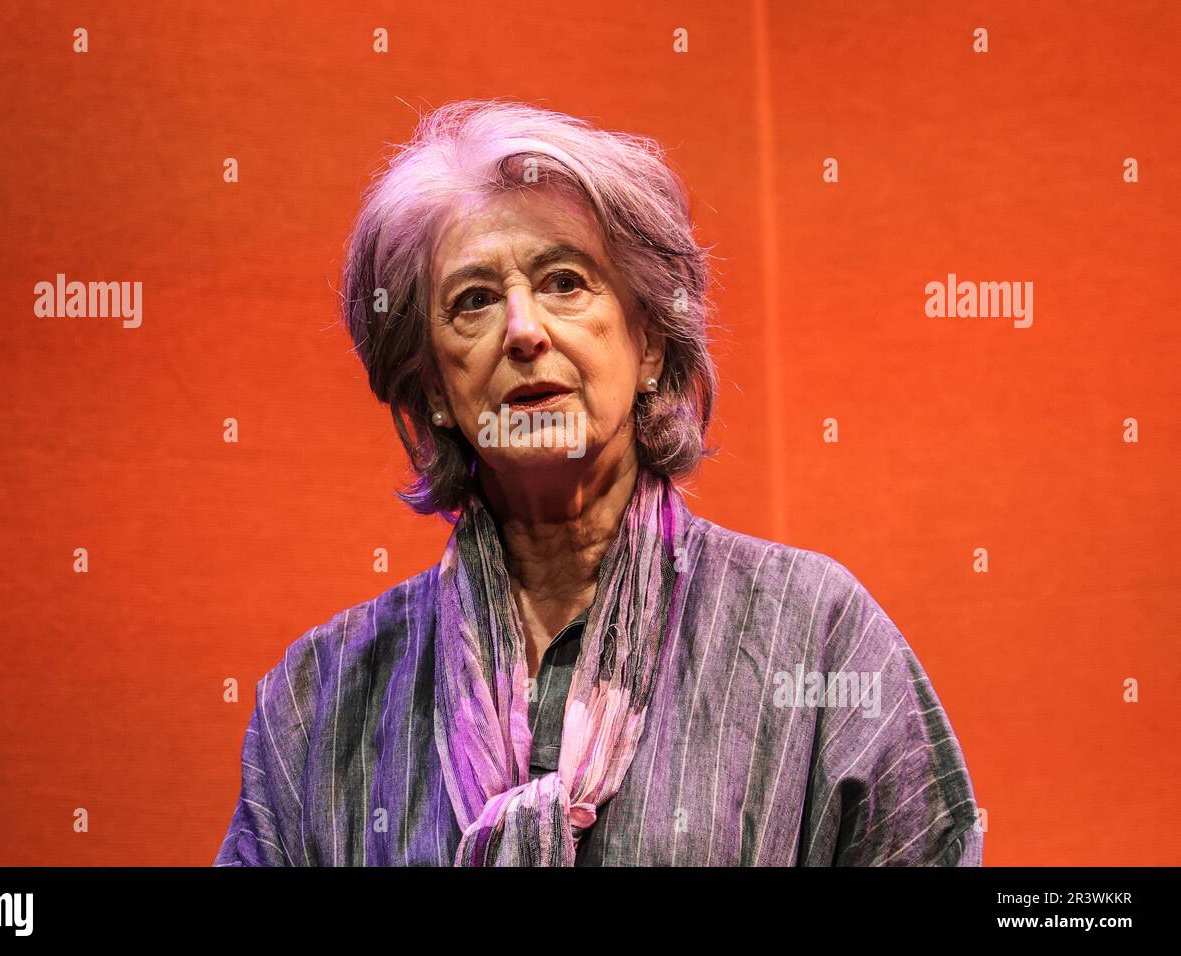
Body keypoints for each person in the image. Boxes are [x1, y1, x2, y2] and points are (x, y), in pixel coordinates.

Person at [213, 99, 983, 867]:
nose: (523, 330)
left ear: (648, 343)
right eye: (473, 301)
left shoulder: (814, 635)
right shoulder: (321, 700)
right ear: (434, 393)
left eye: (565, 281)